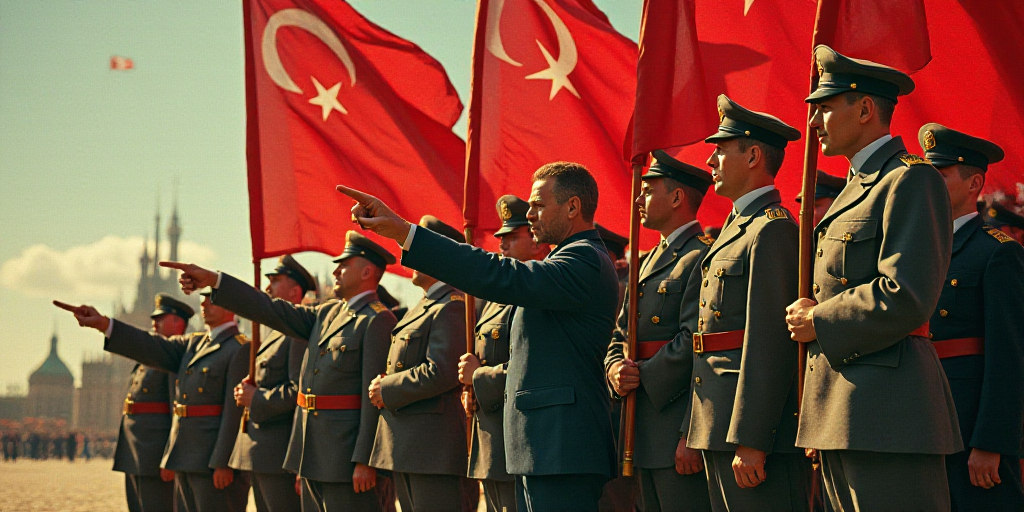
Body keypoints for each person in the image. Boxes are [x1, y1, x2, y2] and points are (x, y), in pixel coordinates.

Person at [338, 161, 620, 512]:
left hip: (563, 448)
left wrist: (404, 232)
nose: (529, 214)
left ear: (573, 206)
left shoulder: (584, 259)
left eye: (538, 205)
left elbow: (501, 275)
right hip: (545, 447)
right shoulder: (569, 260)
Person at [786, 45, 961, 512]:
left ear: (865, 109)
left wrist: (818, 319)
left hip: (889, 416)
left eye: (824, 107)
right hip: (844, 414)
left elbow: (906, 294)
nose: (814, 123)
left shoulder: (909, 180)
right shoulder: (856, 186)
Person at [162, 232, 397, 511]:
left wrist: (365, 460)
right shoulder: (326, 314)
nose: (335, 270)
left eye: (344, 265)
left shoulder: (378, 319)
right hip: (312, 455)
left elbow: (374, 401)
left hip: (345, 459)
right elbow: (270, 309)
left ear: (367, 271)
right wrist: (216, 281)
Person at [684, 95, 809, 512]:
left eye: (720, 151)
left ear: (754, 155)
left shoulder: (771, 229)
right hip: (718, 420)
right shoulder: (737, 228)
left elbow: (769, 342)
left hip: (750, 433)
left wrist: (753, 438)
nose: (710, 162)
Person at [55, 292, 251, 512]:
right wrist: (104, 324)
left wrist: (223, 462)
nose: (203, 303)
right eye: (203, 299)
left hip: (211, 461)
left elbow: (235, 413)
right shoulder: (193, 344)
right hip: (185, 458)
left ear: (232, 307)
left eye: (212, 300)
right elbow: (151, 345)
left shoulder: (240, 348)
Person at [919, 123, 1024, 510]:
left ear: (973, 183)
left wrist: (991, 442)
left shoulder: (997, 252)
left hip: (968, 423)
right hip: (919, 414)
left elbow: (1008, 358)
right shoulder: (912, 249)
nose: (927, 187)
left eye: (940, 177)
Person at [604, 150, 714, 512]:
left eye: (648, 190)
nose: (639, 198)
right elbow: (620, 334)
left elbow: (696, 345)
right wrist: (615, 369)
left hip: (675, 424)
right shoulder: (648, 259)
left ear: (678, 197)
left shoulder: (701, 257)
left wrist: (691, 432)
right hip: (642, 427)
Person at [366, 215, 470, 512]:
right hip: (410, 446)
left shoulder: (450, 306)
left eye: (420, 249)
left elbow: (442, 371)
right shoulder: (424, 306)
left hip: (432, 449)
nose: (408, 257)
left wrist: (388, 387)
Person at [459, 195, 550, 512]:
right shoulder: (497, 297)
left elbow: (532, 365)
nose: (503, 245)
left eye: (513, 237)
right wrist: (473, 388)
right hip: (490, 441)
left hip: (518, 440)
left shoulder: (539, 290)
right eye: (501, 238)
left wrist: (478, 377)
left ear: (538, 243)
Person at [229, 255, 315, 512]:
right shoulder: (273, 335)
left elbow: (296, 392)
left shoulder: (296, 333)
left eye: (275, 281)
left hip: (279, 455)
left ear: (295, 290)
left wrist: (255, 398)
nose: (267, 288)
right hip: (260, 454)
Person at [109, 294, 186, 512]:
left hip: (154, 452)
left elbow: (176, 409)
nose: (154, 323)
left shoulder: (173, 356)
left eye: (160, 318)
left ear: (177, 323)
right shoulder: (150, 355)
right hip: (135, 450)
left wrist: (170, 456)